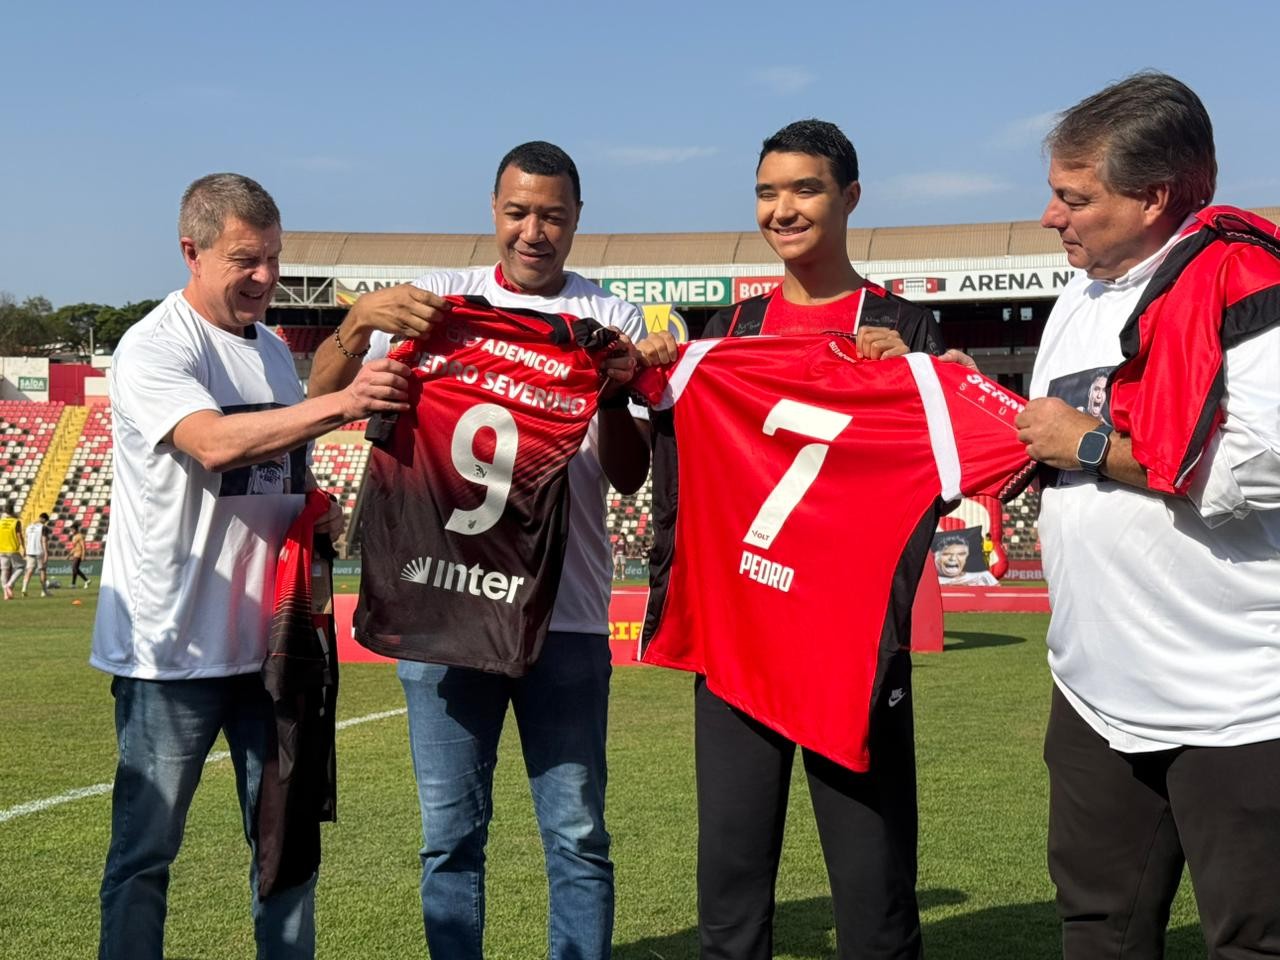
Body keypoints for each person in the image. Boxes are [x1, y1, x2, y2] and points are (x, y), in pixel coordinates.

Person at [308, 141, 649, 960]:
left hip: (563, 617)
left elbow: (631, 476)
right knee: (449, 837)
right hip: (442, 607)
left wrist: (613, 392)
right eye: (518, 212)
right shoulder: (436, 307)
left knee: (576, 834)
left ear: (577, 221)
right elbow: (319, 398)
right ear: (493, 212)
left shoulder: (613, 319)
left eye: (553, 216)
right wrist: (357, 325)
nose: (534, 231)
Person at [641, 119, 967, 960]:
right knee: (731, 898)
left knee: (876, 900)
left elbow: (961, 463)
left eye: (805, 189)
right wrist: (643, 378)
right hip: (740, 644)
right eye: (766, 192)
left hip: (849, 652)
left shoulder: (906, 329)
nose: (783, 209)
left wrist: (926, 375)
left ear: (850, 197)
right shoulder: (726, 331)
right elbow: (679, 469)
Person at [92, 172, 407, 960]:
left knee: (285, 855)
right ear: (190, 252)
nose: (265, 277)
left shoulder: (269, 349)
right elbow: (214, 443)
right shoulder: (154, 345)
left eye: (272, 258)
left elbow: (268, 465)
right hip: (170, 653)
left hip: (272, 653)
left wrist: (309, 503)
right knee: (144, 858)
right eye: (246, 260)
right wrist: (344, 402)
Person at [1016, 72, 1280, 959]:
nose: (1052, 216)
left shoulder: (1248, 281)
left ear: (1154, 197)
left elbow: (1264, 470)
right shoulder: (1076, 301)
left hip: (1238, 697)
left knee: (1250, 940)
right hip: (1095, 685)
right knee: (1099, 931)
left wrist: (1089, 445)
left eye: (1073, 196)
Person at [21, 511, 49, 597]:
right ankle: (44, 592)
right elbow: (44, 541)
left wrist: (25, 551)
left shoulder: (29, 527)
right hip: (39, 551)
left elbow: (26, 540)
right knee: (42, 570)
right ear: (44, 519)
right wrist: (46, 553)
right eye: (46, 521)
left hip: (29, 551)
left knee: (29, 570)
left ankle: (24, 588)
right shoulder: (43, 528)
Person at [0, 502, 22, 600]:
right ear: (13, 510)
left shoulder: (0, 521)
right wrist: (24, 547)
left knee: (4, 570)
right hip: (12, 549)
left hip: (1, 549)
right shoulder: (16, 521)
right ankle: (9, 585)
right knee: (21, 567)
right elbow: (19, 536)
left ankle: (6, 594)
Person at [69, 522, 90, 588]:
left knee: (74, 568)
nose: (71, 531)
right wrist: (69, 554)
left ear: (76, 529)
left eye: (72, 529)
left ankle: (86, 580)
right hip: (75, 553)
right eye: (71, 529)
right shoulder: (74, 537)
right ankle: (73, 584)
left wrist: (83, 555)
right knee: (75, 569)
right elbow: (74, 547)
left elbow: (83, 546)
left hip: (79, 554)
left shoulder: (80, 536)